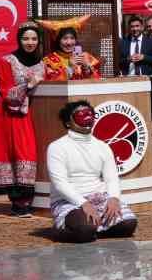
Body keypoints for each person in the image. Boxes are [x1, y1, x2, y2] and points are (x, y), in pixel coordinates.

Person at [46, 100, 139, 243]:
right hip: (68, 201)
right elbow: (60, 183)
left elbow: (112, 178)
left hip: (99, 197)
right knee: (85, 229)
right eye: (80, 114)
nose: (87, 117)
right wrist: (83, 203)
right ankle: (67, 229)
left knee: (128, 224)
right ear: (68, 123)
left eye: (90, 113)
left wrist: (114, 198)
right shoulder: (57, 147)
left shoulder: (102, 146)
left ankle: (93, 230)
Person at [0, 22, 45, 216]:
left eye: (33, 38)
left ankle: (36, 199)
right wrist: (28, 85)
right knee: (20, 152)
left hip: (40, 115)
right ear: (19, 40)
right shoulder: (8, 61)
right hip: (15, 115)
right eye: (25, 38)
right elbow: (5, 91)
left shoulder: (43, 63)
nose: (30, 42)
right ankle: (19, 201)